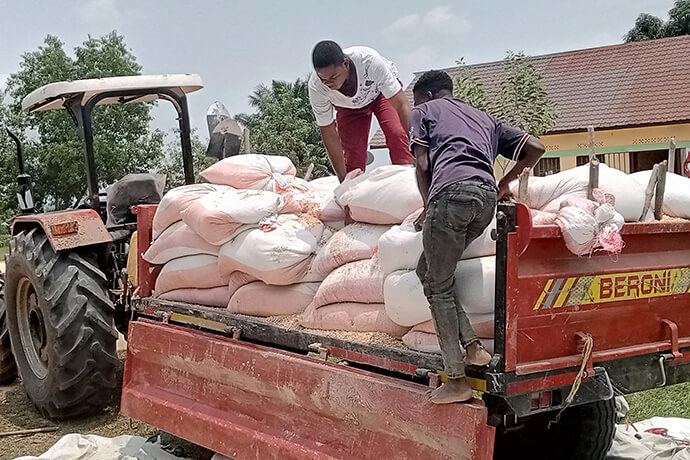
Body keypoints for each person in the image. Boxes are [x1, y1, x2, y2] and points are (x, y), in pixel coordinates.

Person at [409, 70, 546, 404]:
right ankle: (473, 348)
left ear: (425, 96)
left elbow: (423, 163)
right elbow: (536, 148)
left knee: (438, 288)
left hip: (450, 197)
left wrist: (428, 207)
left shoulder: (423, 111)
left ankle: (456, 380)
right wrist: (504, 182)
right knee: (427, 270)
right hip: (484, 201)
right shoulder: (485, 118)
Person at [308, 40, 413, 182]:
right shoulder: (316, 88)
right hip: (348, 108)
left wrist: (417, 147)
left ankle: (407, 181)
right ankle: (354, 194)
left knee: (396, 133)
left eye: (333, 77)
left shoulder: (369, 62)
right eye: (323, 79)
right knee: (353, 158)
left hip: (380, 94)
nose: (329, 83)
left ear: (345, 64)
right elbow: (329, 134)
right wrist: (343, 183)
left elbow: (401, 105)